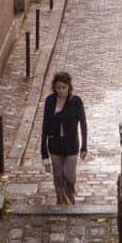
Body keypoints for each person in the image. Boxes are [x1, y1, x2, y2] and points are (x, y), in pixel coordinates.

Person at [41, 71, 87, 205]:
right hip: (55, 144)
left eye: (64, 87)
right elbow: (45, 125)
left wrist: (84, 146)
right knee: (58, 176)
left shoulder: (76, 102)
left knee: (69, 176)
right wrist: (43, 152)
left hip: (71, 145)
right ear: (54, 88)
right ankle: (61, 201)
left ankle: (70, 193)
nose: (61, 90)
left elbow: (83, 124)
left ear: (69, 87)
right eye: (58, 88)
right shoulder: (50, 101)